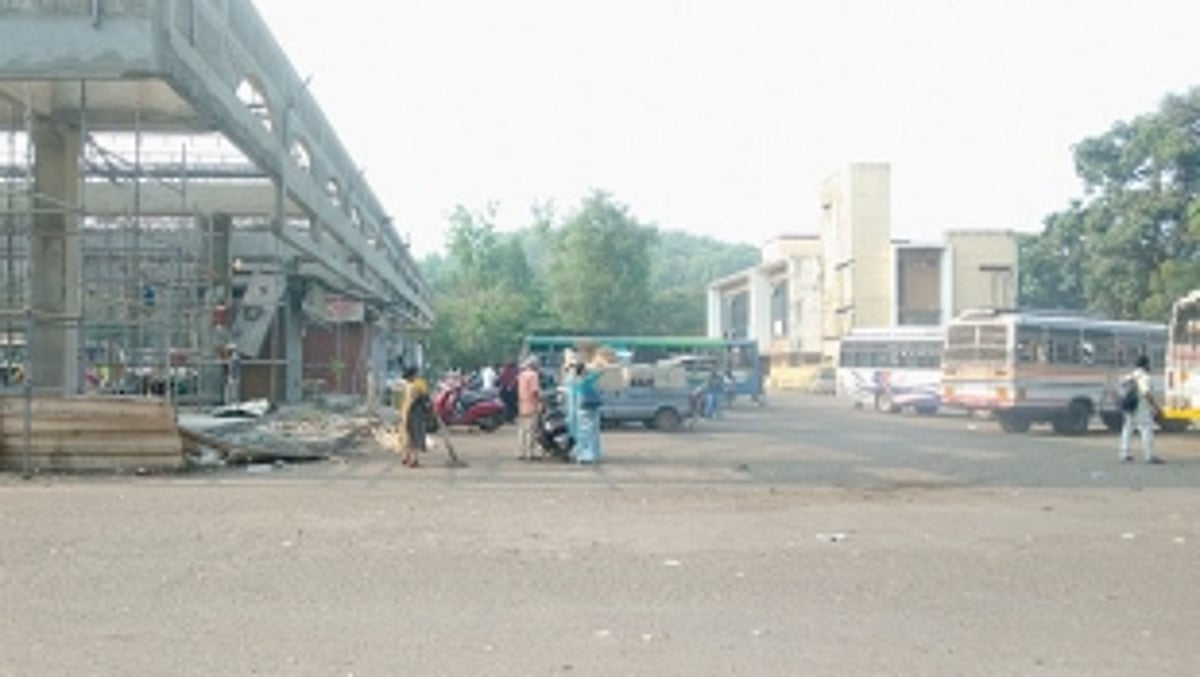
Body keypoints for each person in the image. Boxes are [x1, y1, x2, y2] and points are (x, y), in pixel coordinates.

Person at [1119, 355, 1163, 464]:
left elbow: (1120, 388)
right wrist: (1156, 406)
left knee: (1127, 429)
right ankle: (1149, 456)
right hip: (1141, 407)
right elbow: (1146, 393)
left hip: (1128, 406)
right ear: (1146, 365)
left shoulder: (1130, 376)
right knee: (1146, 429)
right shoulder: (1144, 377)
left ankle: (1124, 454)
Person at [397, 366, 430, 468]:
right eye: (415, 374)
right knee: (415, 436)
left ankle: (405, 457)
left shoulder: (403, 385)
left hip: (404, 412)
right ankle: (414, 460)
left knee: (406, 435)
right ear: (413, 375)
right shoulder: (417, 385)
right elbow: (424, 398)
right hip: (415, 413)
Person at [516, 356, 542, 459]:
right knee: (531, 430)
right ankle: (530, 453)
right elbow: (534, 391)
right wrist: (540, 400)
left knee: (522, 430)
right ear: (534, 365)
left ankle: (521, 452)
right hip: (531, 405)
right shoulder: (533, 375)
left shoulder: (521, 375)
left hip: (522, 404)